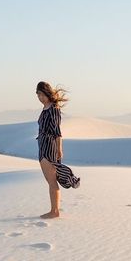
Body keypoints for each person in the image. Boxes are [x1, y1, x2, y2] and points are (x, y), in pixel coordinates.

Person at [36, 81, 80, 219]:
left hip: (49, 146)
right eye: (38, 95)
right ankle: (54, 210)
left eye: (42, 94)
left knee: (51, 180)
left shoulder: (53, 109)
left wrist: (59, 149)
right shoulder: (45, 109)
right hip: (43, 146)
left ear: (48, 93)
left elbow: (57, 132)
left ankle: (54, 211)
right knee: (50, 180)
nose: (40, 98)